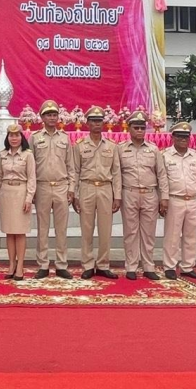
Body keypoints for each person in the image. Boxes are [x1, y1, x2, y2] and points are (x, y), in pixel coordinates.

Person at [71, 106, 121, 279]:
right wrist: (74, 193)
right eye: (93, 121)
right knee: (87, 228)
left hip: (106, 188)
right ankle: (87, 264)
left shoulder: (112, 146)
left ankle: (103, 264)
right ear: (87, 123)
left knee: (105, 229)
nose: (97, 124)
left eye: (99, 121)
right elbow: (75, 171)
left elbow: (116, 172)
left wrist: (118, 195)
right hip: (87, 187)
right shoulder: (79, 146)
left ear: (103, 123)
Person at [119, 111, 166, 281]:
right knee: (130, 232)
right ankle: (131, 266)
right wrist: (117, 196)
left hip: (149, 193)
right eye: (136, 127)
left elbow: (161, 174)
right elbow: (117, 174)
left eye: (142, 127)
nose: (139, 130)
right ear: (129, 128)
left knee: (148, 233)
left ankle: (148, 266)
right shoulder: (121, 149)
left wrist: (164, 197)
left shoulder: (153, 150)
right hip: (129, 192)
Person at [31, 99, 74, 279]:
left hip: (61, 186)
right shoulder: (34, 138)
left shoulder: (64, 138)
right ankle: (43, 264)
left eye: (54, 114)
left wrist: (71, 188)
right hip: (42, 186)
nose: (51, 117)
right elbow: (30, 166)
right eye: (48, 114)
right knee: (42, 228)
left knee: (61, 228)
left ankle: (61, 264)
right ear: (42, 117)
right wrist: (31, 190)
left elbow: (71, 166)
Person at [160, 121, 196, 280]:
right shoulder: (165, 156)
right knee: (172, 235)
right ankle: (170, 266)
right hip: (174, 199)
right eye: (179, 136)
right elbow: (163, 180)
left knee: (191, 236)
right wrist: (163, 199)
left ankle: (187, 266)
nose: (182, 139)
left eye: (185, 136)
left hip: (193, 199)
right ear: (173, 137)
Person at [0, 123, 36, 280]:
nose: (14, 138)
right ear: (8, 137)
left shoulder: (27, 155)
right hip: (6, 193)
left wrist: (29, 198)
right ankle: (11, 264)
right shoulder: (2, 154)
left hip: (21, 192)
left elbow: (32, 178)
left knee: (19, 231)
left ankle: (20, 266)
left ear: (21, 137)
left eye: (17, 135)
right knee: (9, 231)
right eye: (11, 135)